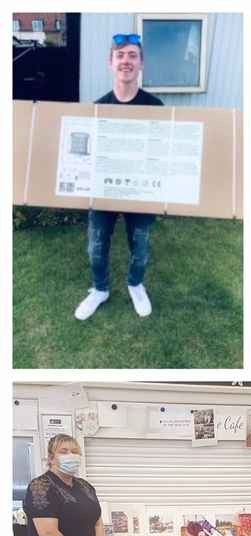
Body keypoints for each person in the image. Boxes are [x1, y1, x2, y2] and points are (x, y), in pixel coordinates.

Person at [74, 33, 164, 322]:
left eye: (132, 55)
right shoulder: (97, 108)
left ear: (141, 63)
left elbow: (163, 152)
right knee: (96, 248)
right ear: (110, 63)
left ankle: (135, 284)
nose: (126, 61)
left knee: (141, 248)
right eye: (120, 55)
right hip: (104, 190)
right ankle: (100, 289)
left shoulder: (156, 107)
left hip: (141, 190)